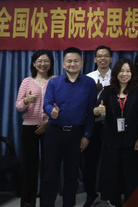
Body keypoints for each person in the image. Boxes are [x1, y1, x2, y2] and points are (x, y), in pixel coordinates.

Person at [41, 47, 97, 207]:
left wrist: (87, 135)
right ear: (63, 64)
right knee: (50, 174)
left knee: (72, 174)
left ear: (82, 63)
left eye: (76, 61)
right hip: (54, 133)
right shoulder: (54, 82)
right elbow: (47, 103)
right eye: (69, 61)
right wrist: (51, 111)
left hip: (76, 134)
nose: (72, 64)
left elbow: (91, 112)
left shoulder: (89, 83)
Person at [93, 59, 138, 207]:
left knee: (131, 172)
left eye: (128, 71)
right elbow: (96, 110)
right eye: (121, 71)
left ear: (132, 74)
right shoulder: (108, 90)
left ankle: (131, 200)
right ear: (116, 73)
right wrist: (98, 110)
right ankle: (113, 200)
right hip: (111, 139)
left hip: (131, 138)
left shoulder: (137, 91)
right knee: (112, 171)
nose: (124, 74)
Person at [15, 50, 56, 207]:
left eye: (46, 61)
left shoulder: (55, 81)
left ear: (51, 63)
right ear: (33, 63)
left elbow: (60, 106)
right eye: (39, 61)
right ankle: (27, 202)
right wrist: (26, 101)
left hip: (50, 128)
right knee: (29, 167)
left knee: (48, 167)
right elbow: (18, 106)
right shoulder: (27, 82)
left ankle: (47, 202)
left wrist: (48, 122)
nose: (42, 64)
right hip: (29, 128)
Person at [83, 45, 113, 207]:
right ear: (95, 59)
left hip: (111, 125)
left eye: (106, 56)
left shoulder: (116, 76)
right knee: (90, 162)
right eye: (99, 56)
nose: (103, 59)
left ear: (111, 59)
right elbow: (83, 102)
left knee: (110, 161)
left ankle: (109, 194)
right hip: (92, 124)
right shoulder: (88, 78)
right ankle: (91, 194)